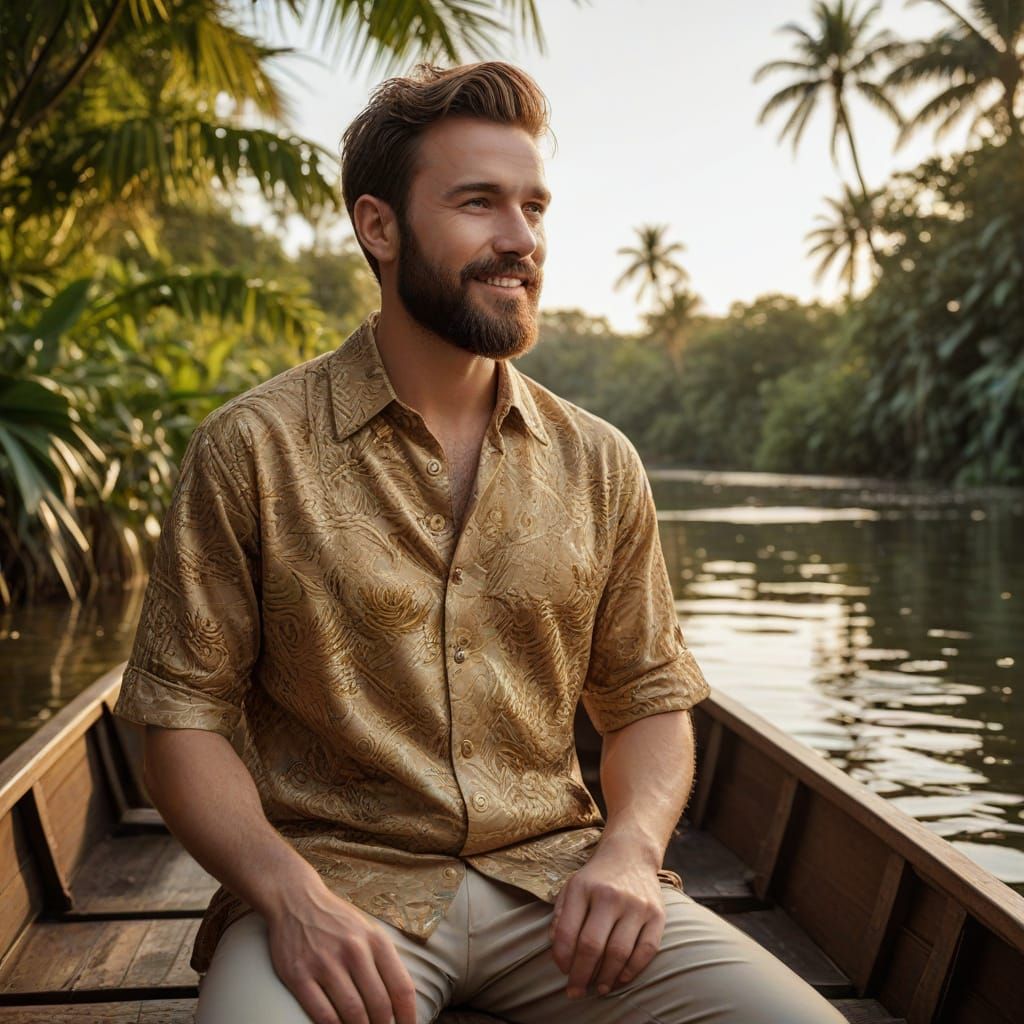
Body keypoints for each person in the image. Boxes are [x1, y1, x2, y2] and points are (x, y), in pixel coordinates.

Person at [113, 60, 848, 1024]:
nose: (521, 239)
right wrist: (288, 899)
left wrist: (631, 853)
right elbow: (181, 720)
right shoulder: (251, 449)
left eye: (534, 207)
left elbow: (648, 701)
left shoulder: (600, 462)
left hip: (561, 890)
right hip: (335, 895)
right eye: (479, 203)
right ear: (378, 227)